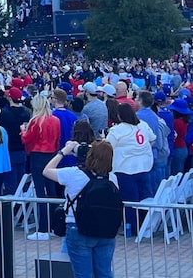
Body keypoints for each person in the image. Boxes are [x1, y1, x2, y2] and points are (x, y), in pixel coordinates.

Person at [43, 140, 117, 278]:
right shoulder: (112, 178)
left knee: (82, 274)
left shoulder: (75, 174)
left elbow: (46, 171)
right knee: (105, 272)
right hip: (106, 231)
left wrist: (63, 152)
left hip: (78, 228)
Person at [106, 103, 154, 233]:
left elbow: (107, 147)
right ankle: (146, 226)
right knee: (145, 198)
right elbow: (152, 140)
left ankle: (131, 227)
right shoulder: (143, 125)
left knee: (129, 201)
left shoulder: (117, 130)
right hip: (144, 166)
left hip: (126, 169)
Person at [21, 93, 61, 241]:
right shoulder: (55, 120)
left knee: (40, 191)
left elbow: (26, 139)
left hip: (38, 156)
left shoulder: (36, 121)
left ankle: (43, 228)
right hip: (51, 154)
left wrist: (23, 130)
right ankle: (52, 225)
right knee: (51, 190)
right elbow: (57, 139)